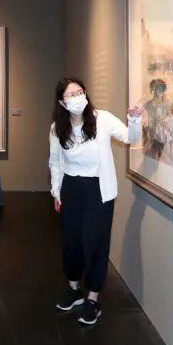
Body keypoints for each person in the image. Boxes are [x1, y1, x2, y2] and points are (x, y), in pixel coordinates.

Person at [48, 77, 142, 326]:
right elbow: (55, 161)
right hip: (71, 188)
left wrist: (135, 119)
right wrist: (56, 192)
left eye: (80, 92)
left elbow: (130, 138)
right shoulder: (57, 128)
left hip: (98, 189)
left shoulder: (103, 119)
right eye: (71, 95)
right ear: (61, 102)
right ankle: (74, 290)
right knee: (71, 242)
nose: (77, 97)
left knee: (95, 243)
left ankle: (93, 299)